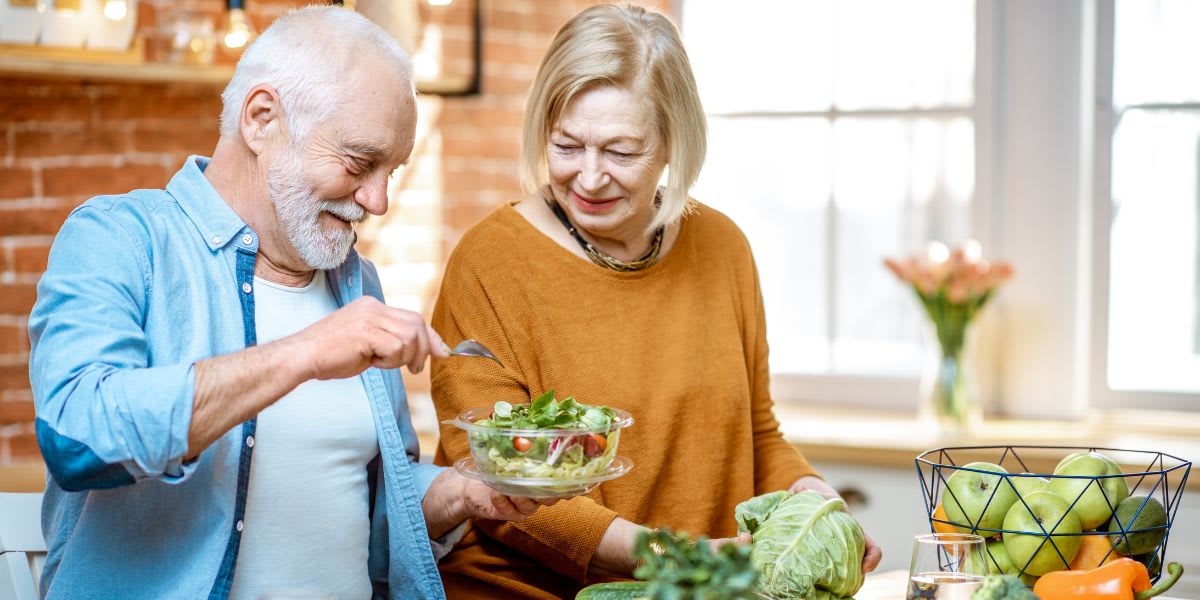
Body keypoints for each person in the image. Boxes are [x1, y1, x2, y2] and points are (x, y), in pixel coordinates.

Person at [28, 7, 550, 600]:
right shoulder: (120, 238)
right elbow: (76, 436)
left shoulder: (356, 283)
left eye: (392, 171)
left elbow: (366, 511)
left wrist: (463, 494)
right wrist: (304, 353)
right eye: (359, 163)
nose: (377, 200)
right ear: (261, 118)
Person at [428, 4, 884, 598]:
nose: (589, 178)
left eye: (620, 152)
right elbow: (496, 483)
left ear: (674, 143)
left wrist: (813, 499)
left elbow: (757, 431)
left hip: (700, 585)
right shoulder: (489, 262)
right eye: (567, 145)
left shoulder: (722, 247)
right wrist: (680, 557)